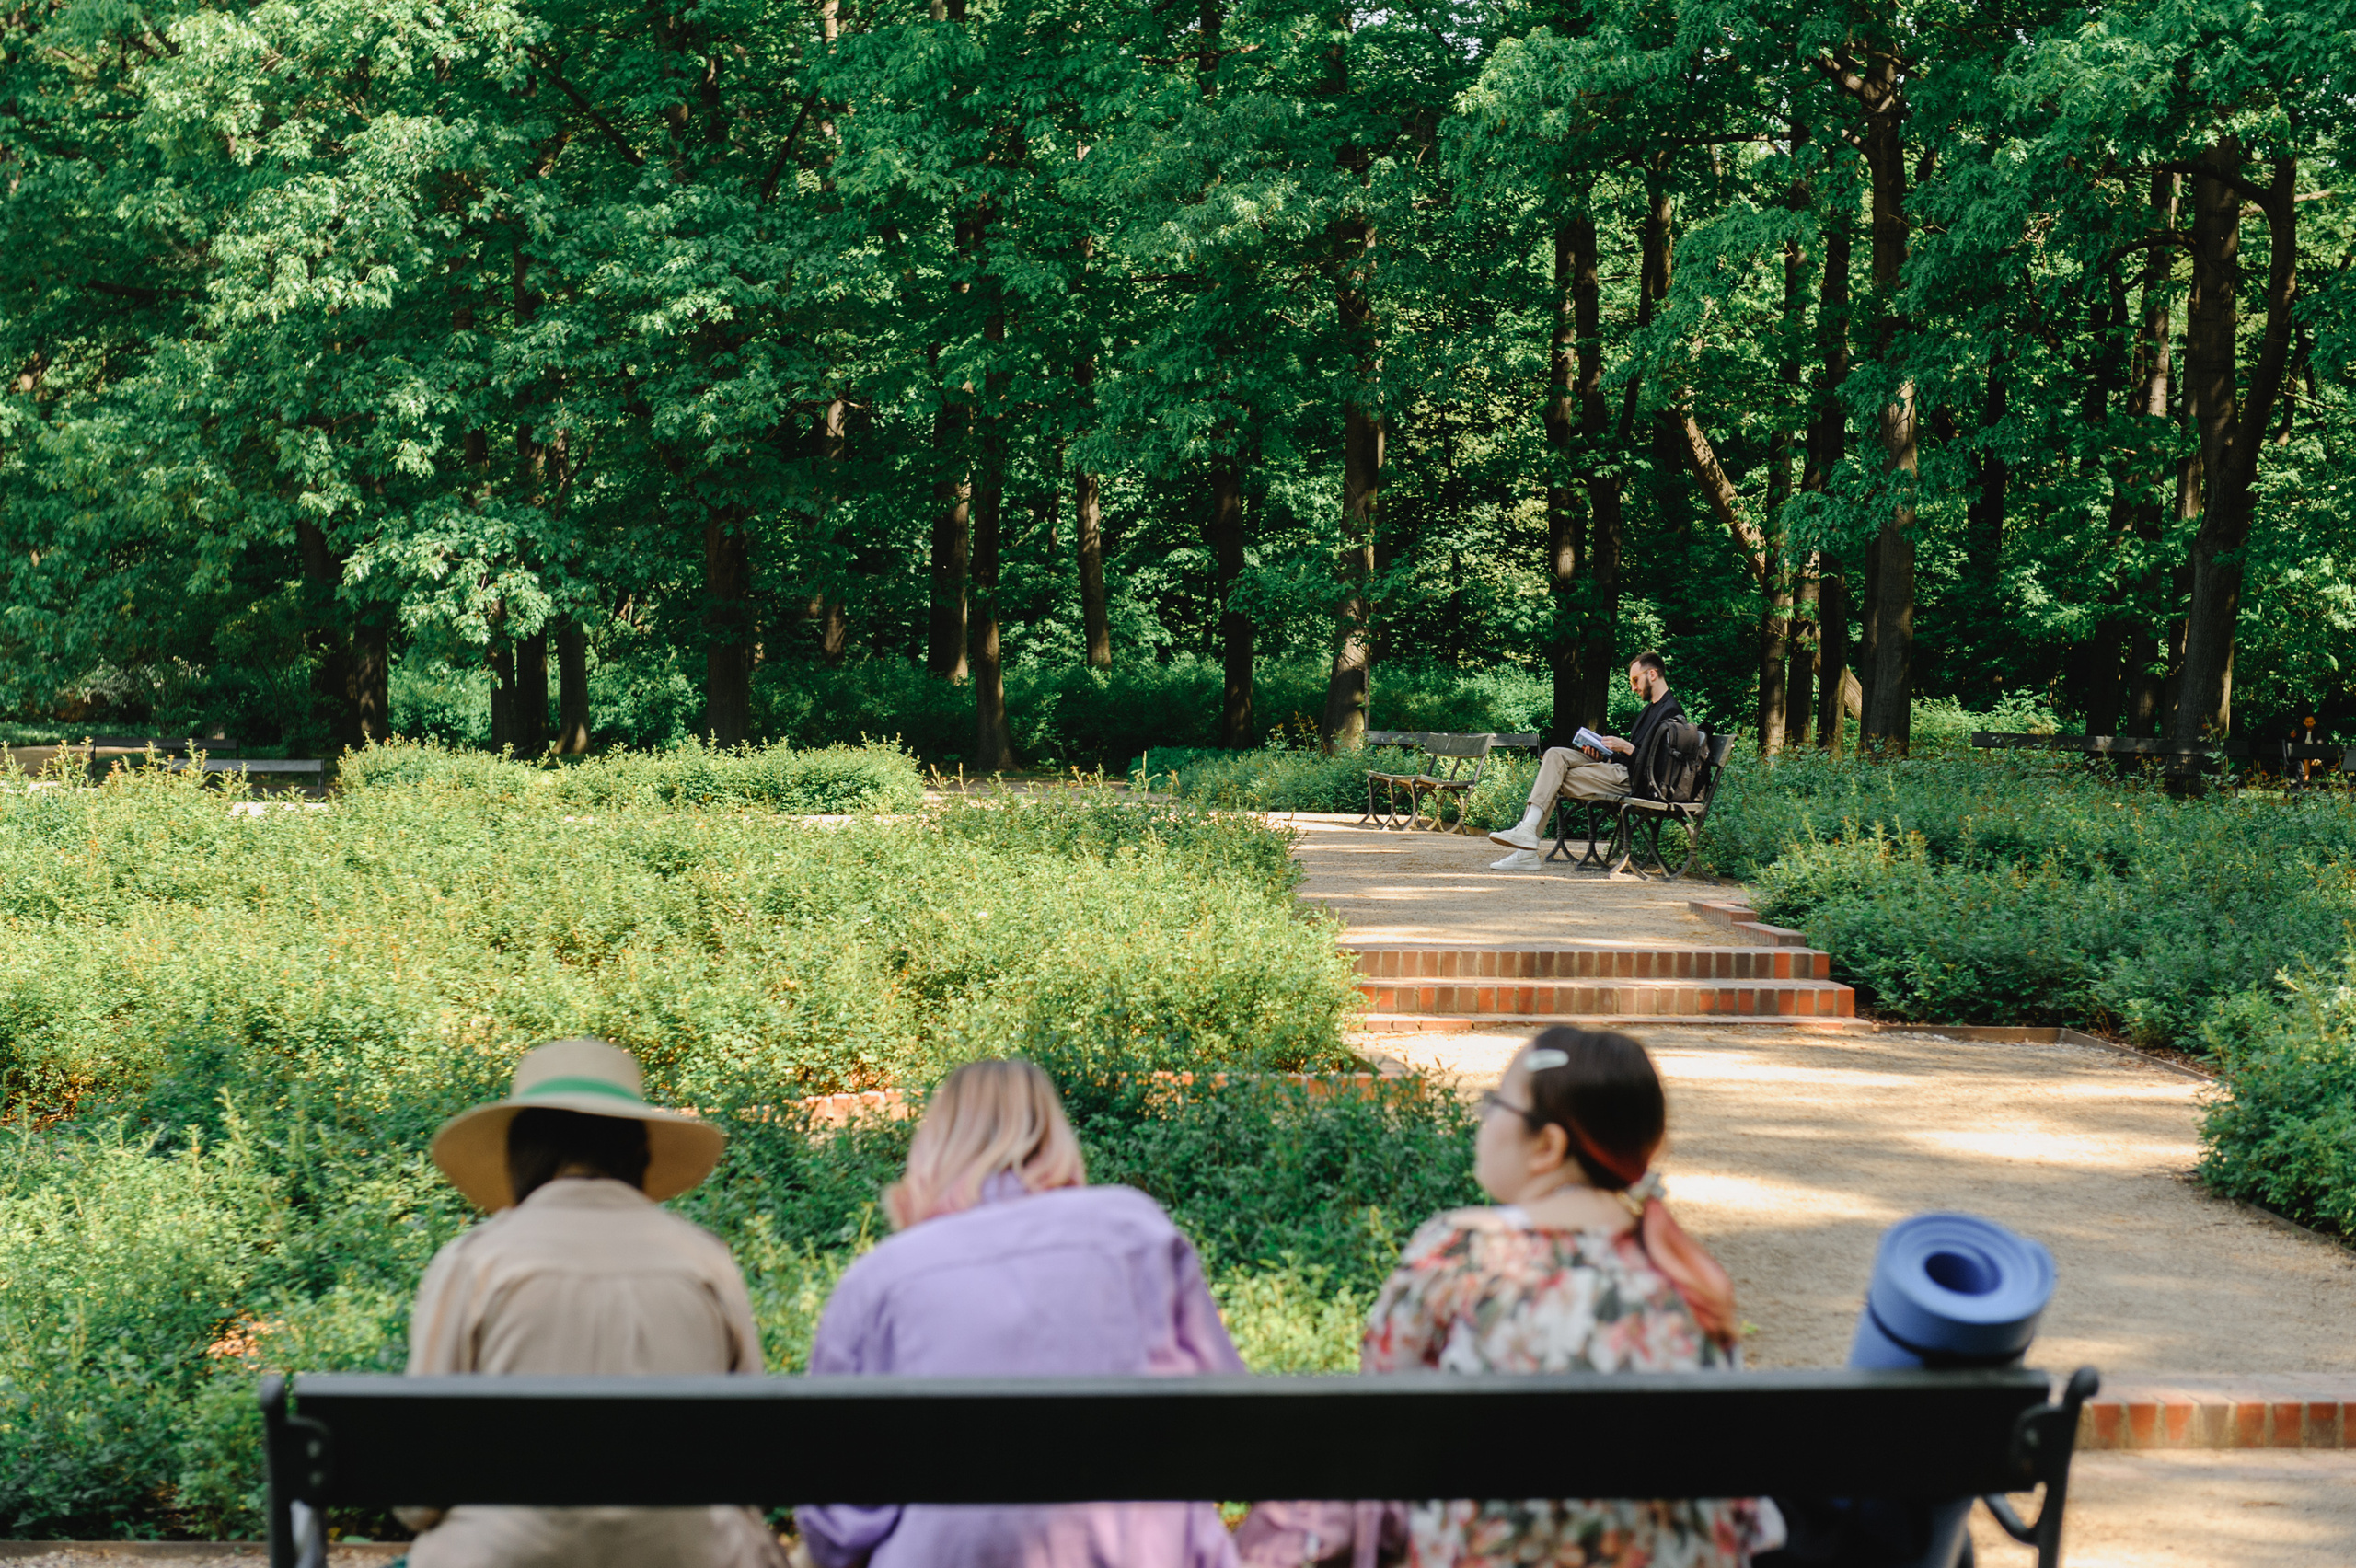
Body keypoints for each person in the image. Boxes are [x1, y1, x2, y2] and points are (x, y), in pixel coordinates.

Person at [795, 1058, 1243, 1568]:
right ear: (1056, 1135)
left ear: (933, 1145)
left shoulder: (879, 1279)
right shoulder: (1133, 1229)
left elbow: (837, 1520)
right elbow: (1228, 1421)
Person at [1358, 1027, 1779, 1568]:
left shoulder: (1461, 1251)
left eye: (1494, 1104)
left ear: (1548, 1146)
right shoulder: (1685, 1272)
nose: (1483, 1121)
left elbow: (1378, 1415)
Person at [399, 1038, 784, 1568]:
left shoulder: (473, 1262)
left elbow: (420, 1492)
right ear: (639, 1153)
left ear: (521, 1153)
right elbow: (750, 1461)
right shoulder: (705, 1261)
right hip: (689, 1553)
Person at [1486, 651, 1684, 871]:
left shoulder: (1672, 712)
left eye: (1635, 680)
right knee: (1554, 755)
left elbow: (1660, 767)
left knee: (1553, 778)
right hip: (1617, 769)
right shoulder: (1649, 710)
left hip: (1633, 780)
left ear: (1653, 674)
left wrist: (1627, 747)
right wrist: (1603, 755)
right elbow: (1633, 754)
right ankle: (1526, 835)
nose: (1633, 687)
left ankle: (1526, 851)